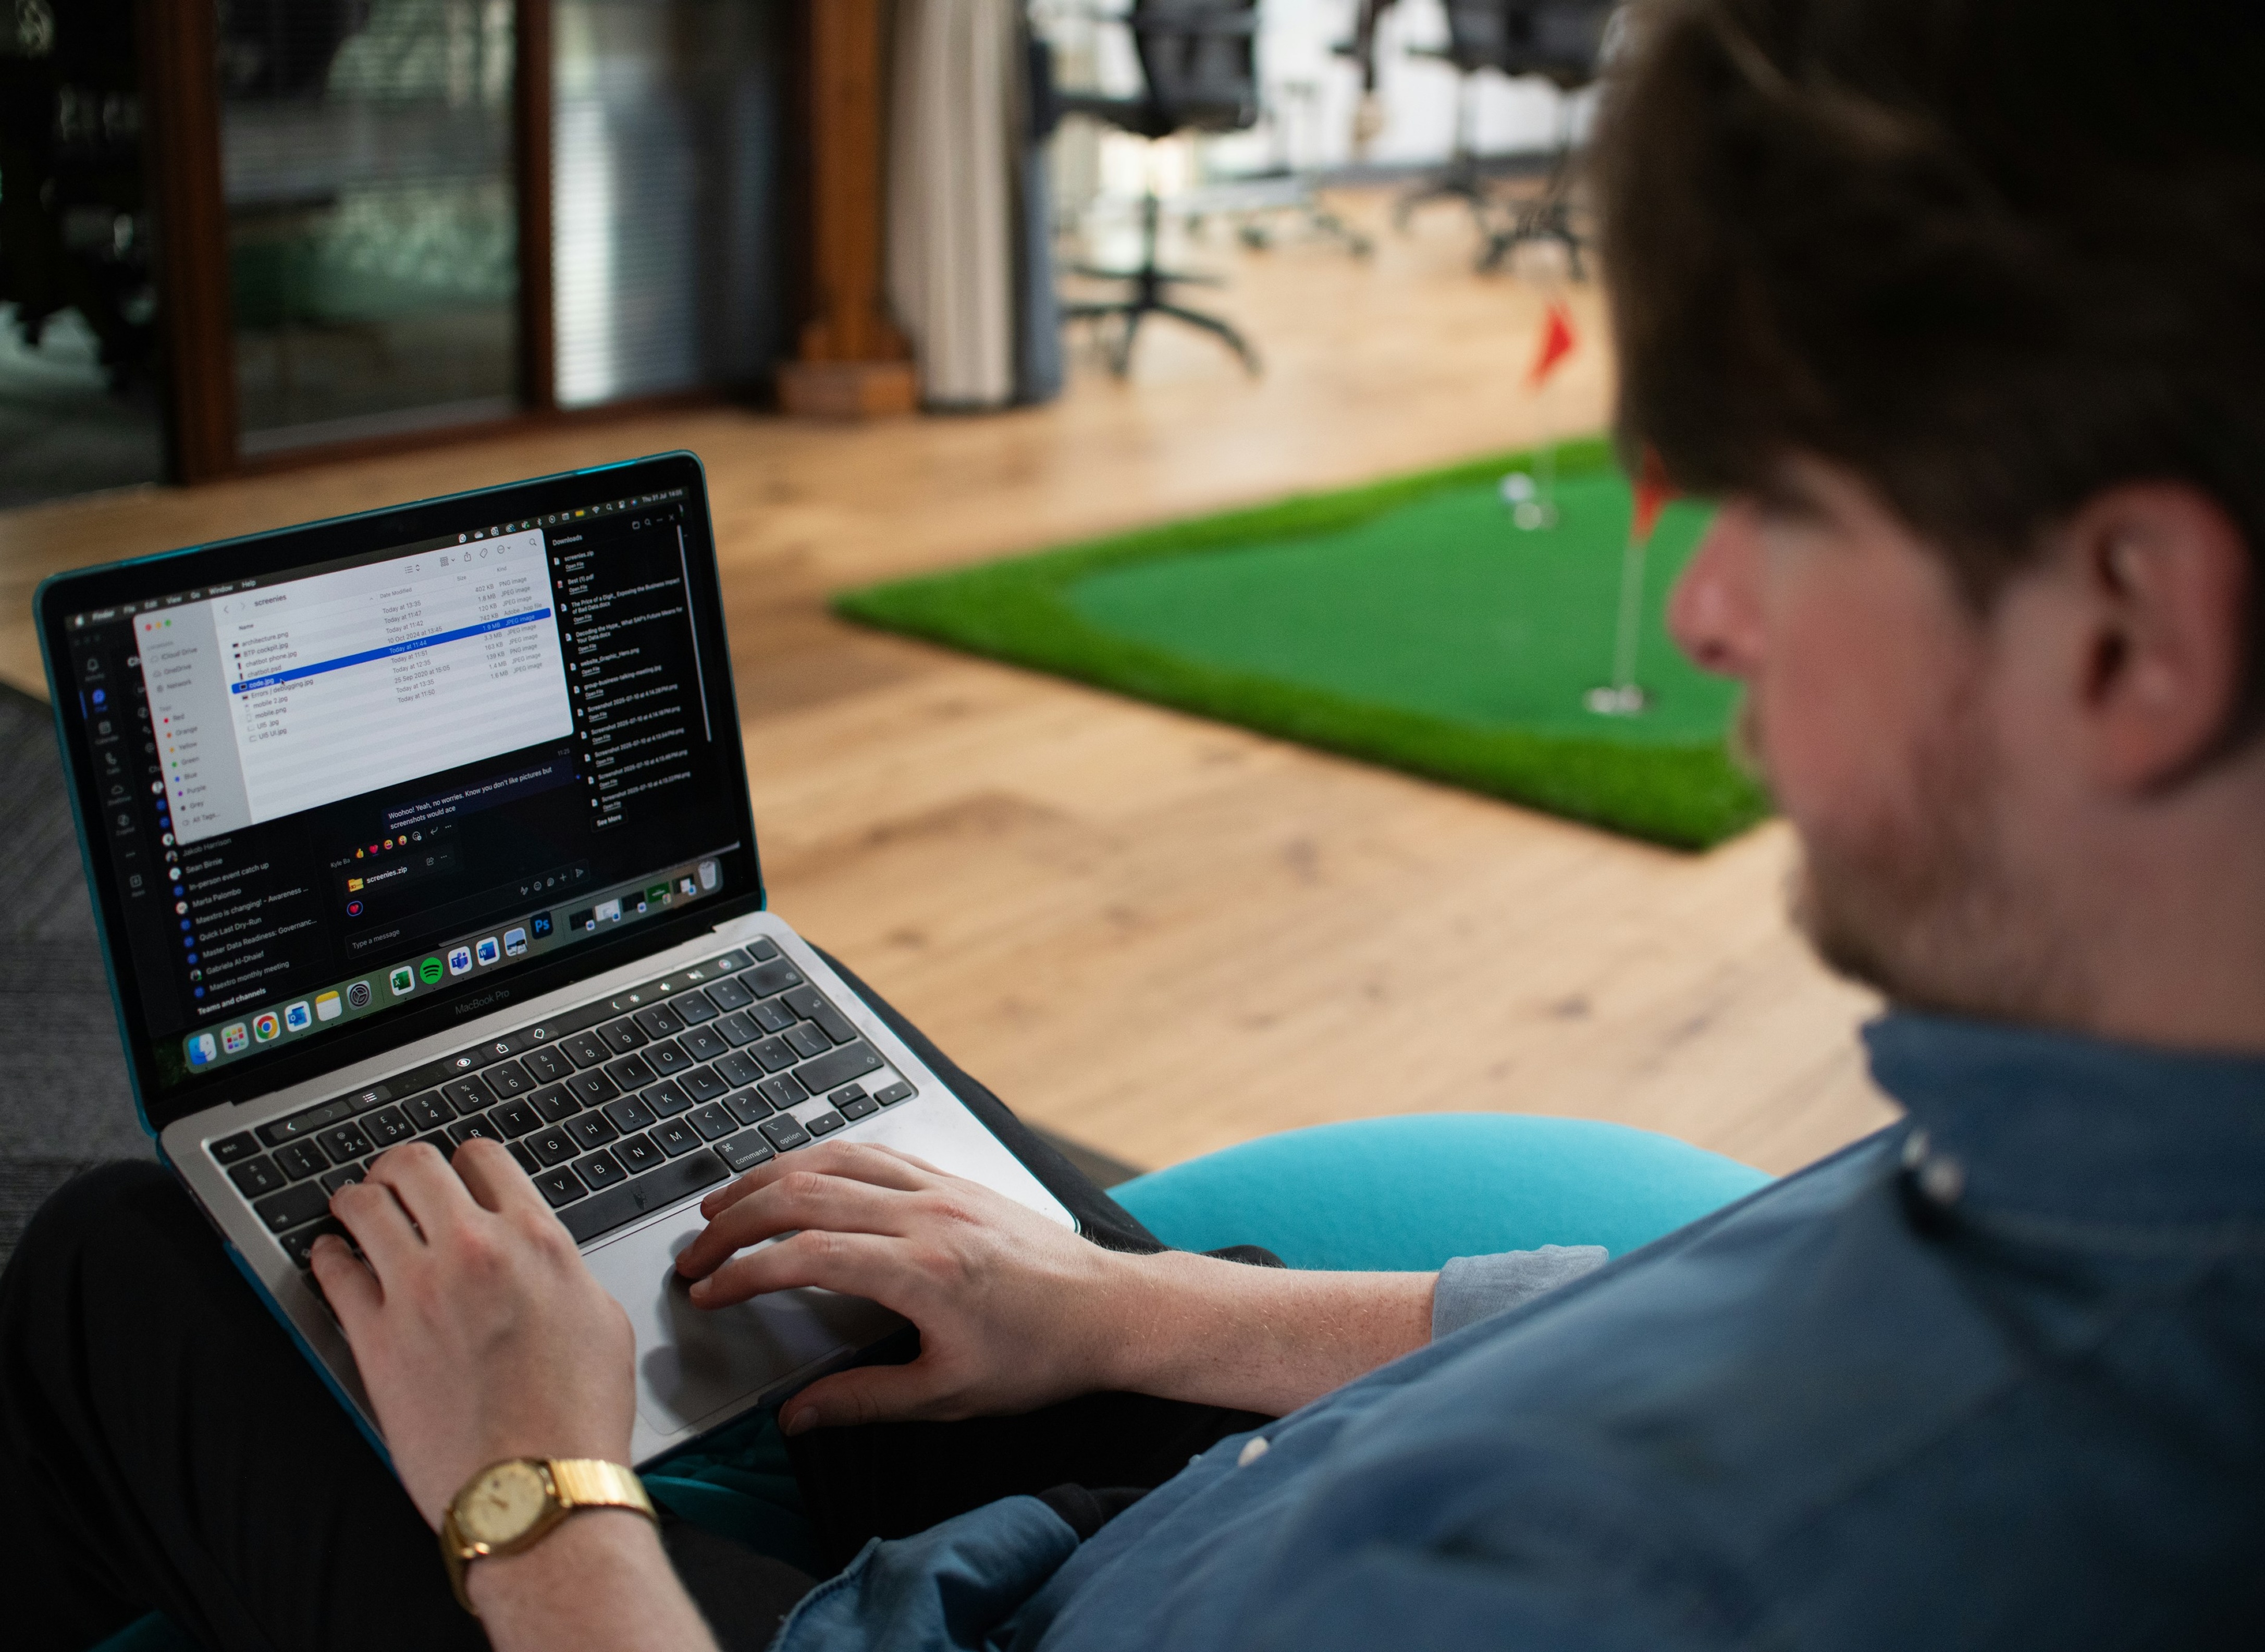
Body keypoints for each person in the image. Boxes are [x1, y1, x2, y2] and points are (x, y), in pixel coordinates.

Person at [8, 0, 2265, 1644]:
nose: (1698, 605)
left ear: (2129, 625)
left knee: (126, 1264)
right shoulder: (2126, 1127)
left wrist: (540, 1495)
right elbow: (1668, 1306)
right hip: (1203, 1480)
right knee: (832, 1116)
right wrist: (1119, 1305)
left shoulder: (1677, 1578)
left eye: (1777, 505)